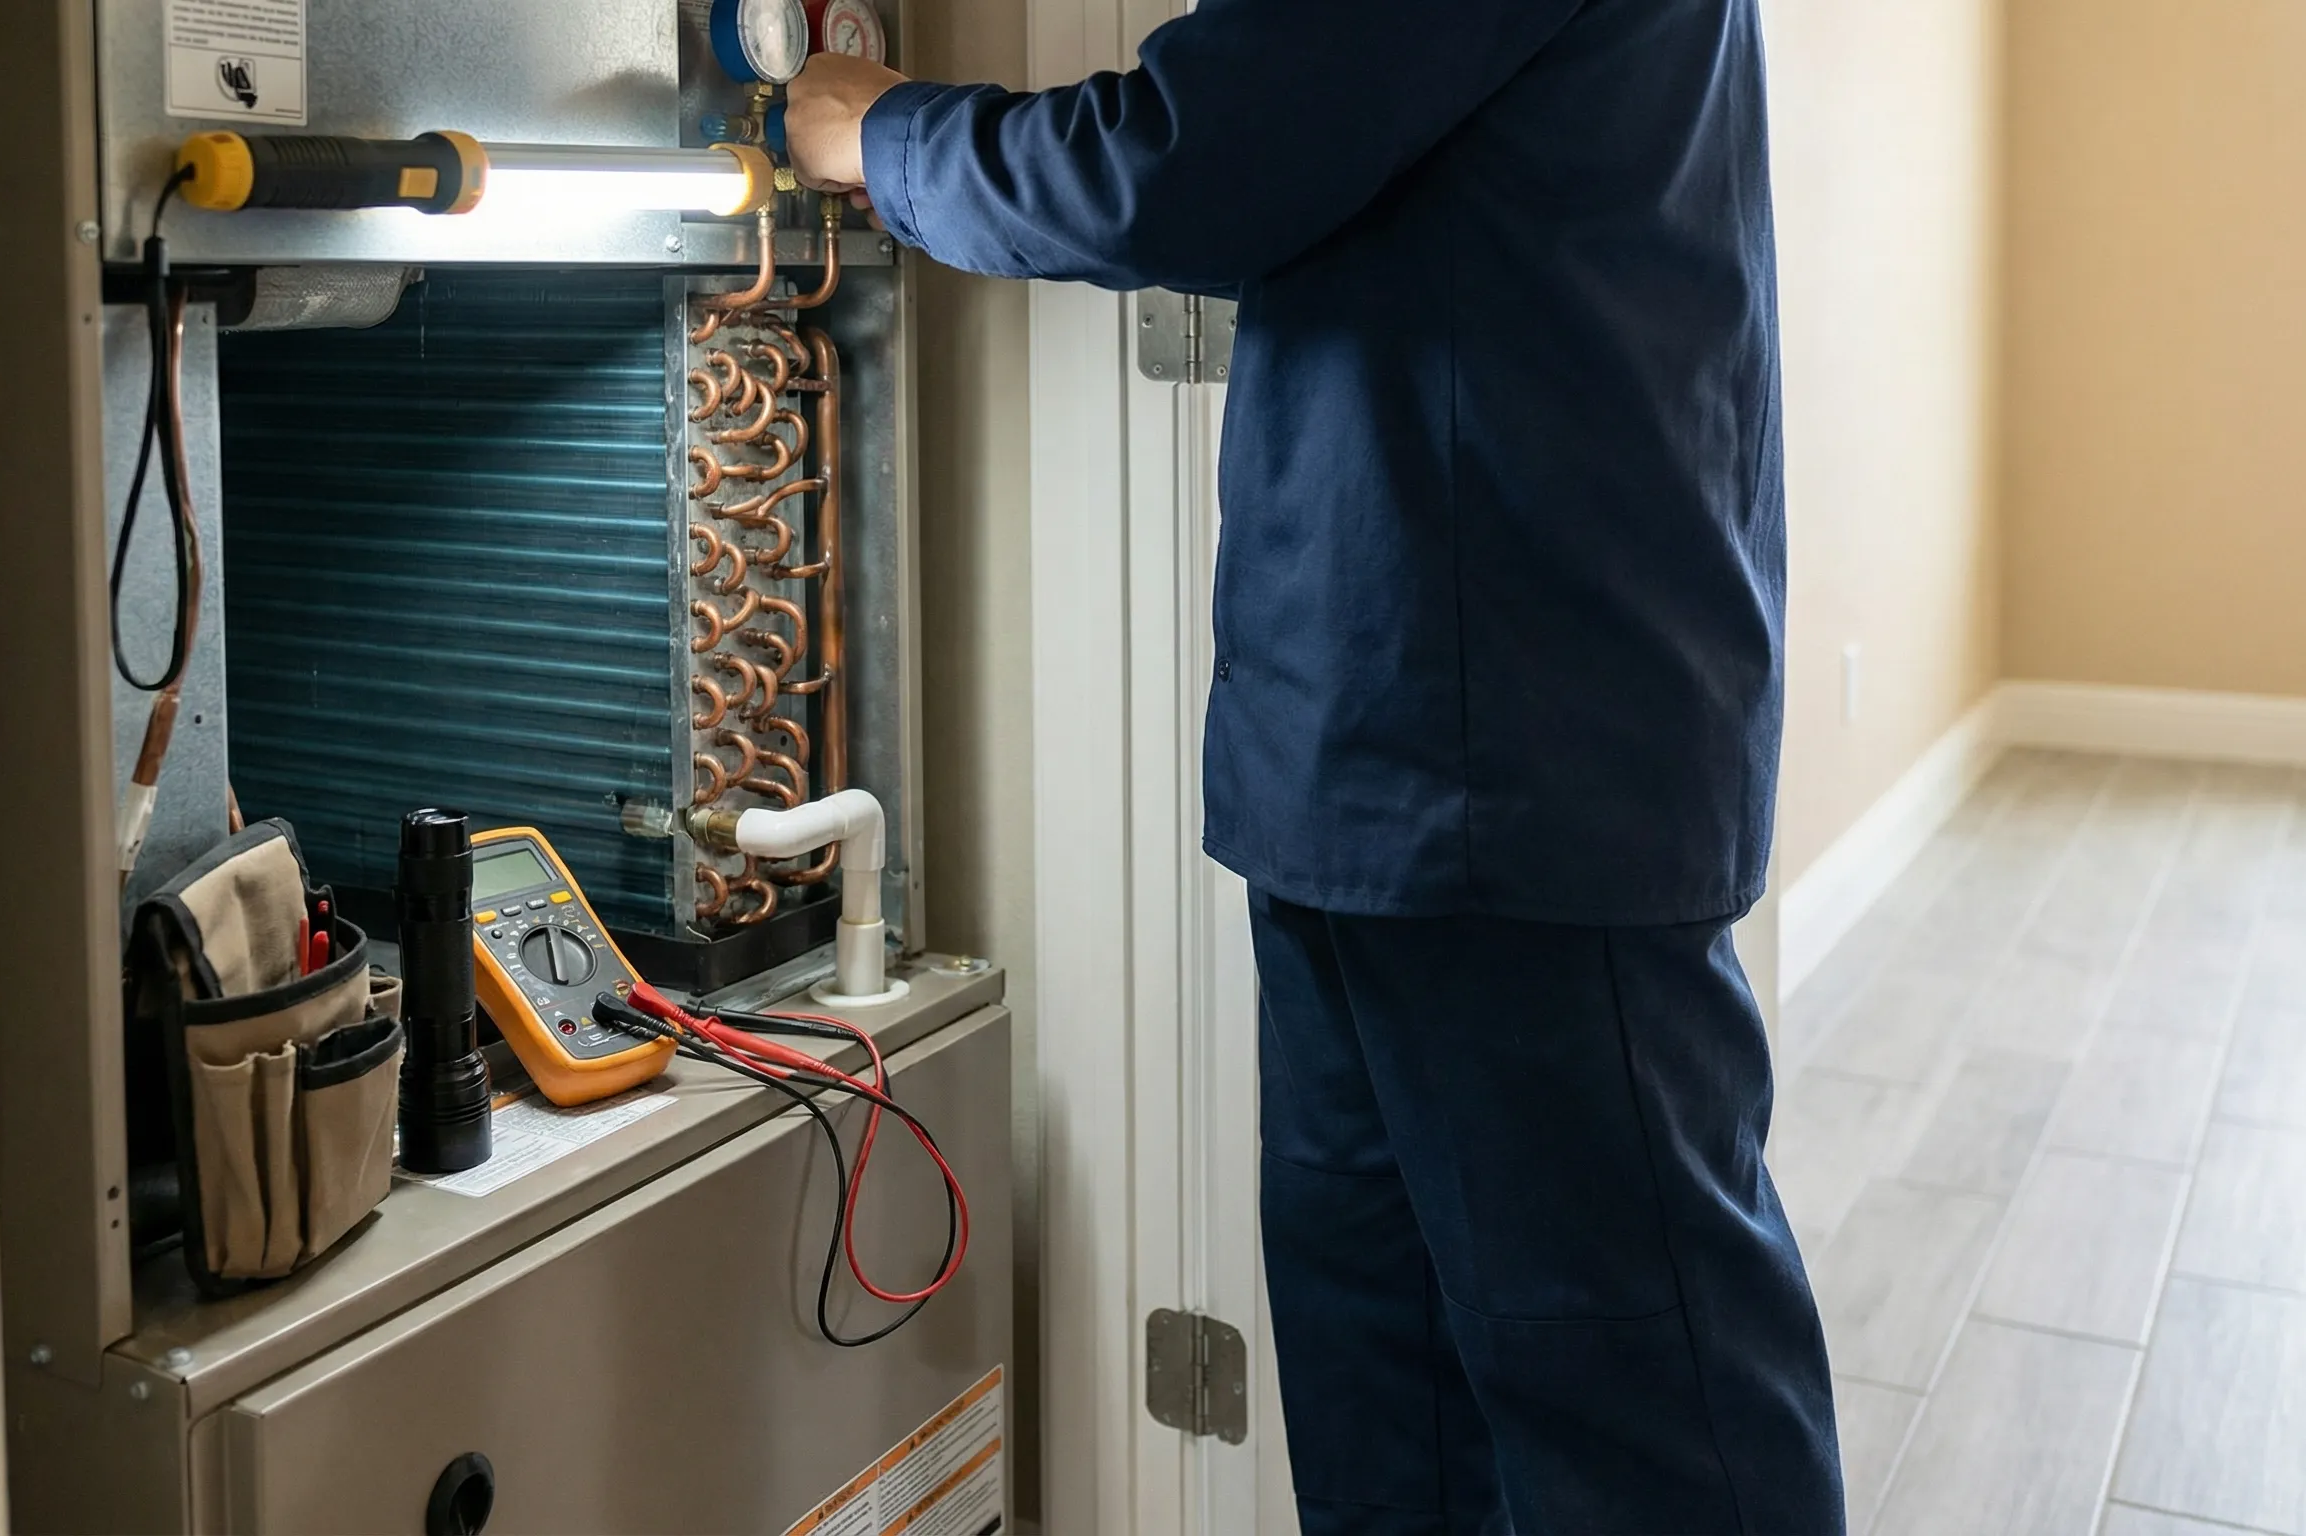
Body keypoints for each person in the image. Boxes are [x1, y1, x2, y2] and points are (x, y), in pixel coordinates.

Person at [786, 1, 1841, 1529]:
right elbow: (1301, 163)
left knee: (1647, 1429)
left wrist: (882, 133)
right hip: (1370, 764)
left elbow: (1193, 163)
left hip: (1518, 775)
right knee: (1388, 1417)